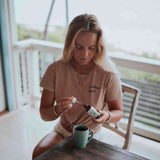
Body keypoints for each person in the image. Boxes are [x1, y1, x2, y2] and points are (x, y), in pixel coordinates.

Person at [32, 13, 123, 159]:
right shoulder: (55, 69)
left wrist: (107, 116)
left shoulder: (108, 74)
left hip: (92, 135)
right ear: (69, 44)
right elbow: (44, 114)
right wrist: (57, 109)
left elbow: (118, 111)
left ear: (98, 47)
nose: (85, 54)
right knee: (38, 155)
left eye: (91, 48)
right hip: (62, 131)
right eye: (79, 47)